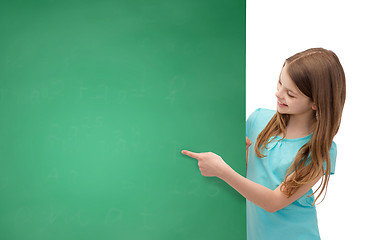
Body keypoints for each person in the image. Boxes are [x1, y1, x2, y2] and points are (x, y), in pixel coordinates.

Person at [181, 47, 346, 239]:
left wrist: (222, 171)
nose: (278, 94)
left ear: (316, 103)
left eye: (291, 94)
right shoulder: (258, 119)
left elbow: (273, 202)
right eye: (280, 83)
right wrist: (240, 155)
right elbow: (252, 176)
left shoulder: (319, 151)